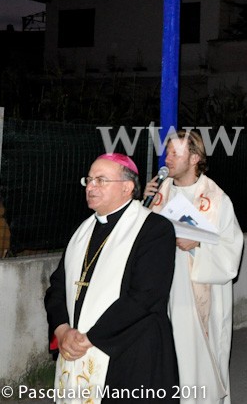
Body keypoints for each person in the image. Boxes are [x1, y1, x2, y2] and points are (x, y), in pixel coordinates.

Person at [44, 153, 178, 399]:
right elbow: (57, 287)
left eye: (101, 180)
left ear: (127, 187)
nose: (91, 186)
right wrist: (62, 330)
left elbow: (145, 296)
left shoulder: (154, 229)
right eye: (89, 180)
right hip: (76, 345)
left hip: (132, 353)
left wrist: (89, 338)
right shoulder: (82, 232)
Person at [146, 130, 244, 404]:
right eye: (168, 152)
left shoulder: (216, 199)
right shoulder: (158, 194)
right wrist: (141, 206)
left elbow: (231, 251)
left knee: (195, 363)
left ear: (195, 158)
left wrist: (199, 245)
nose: (168, 158)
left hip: (196, 297)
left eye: (175, 153)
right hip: (162, 294)